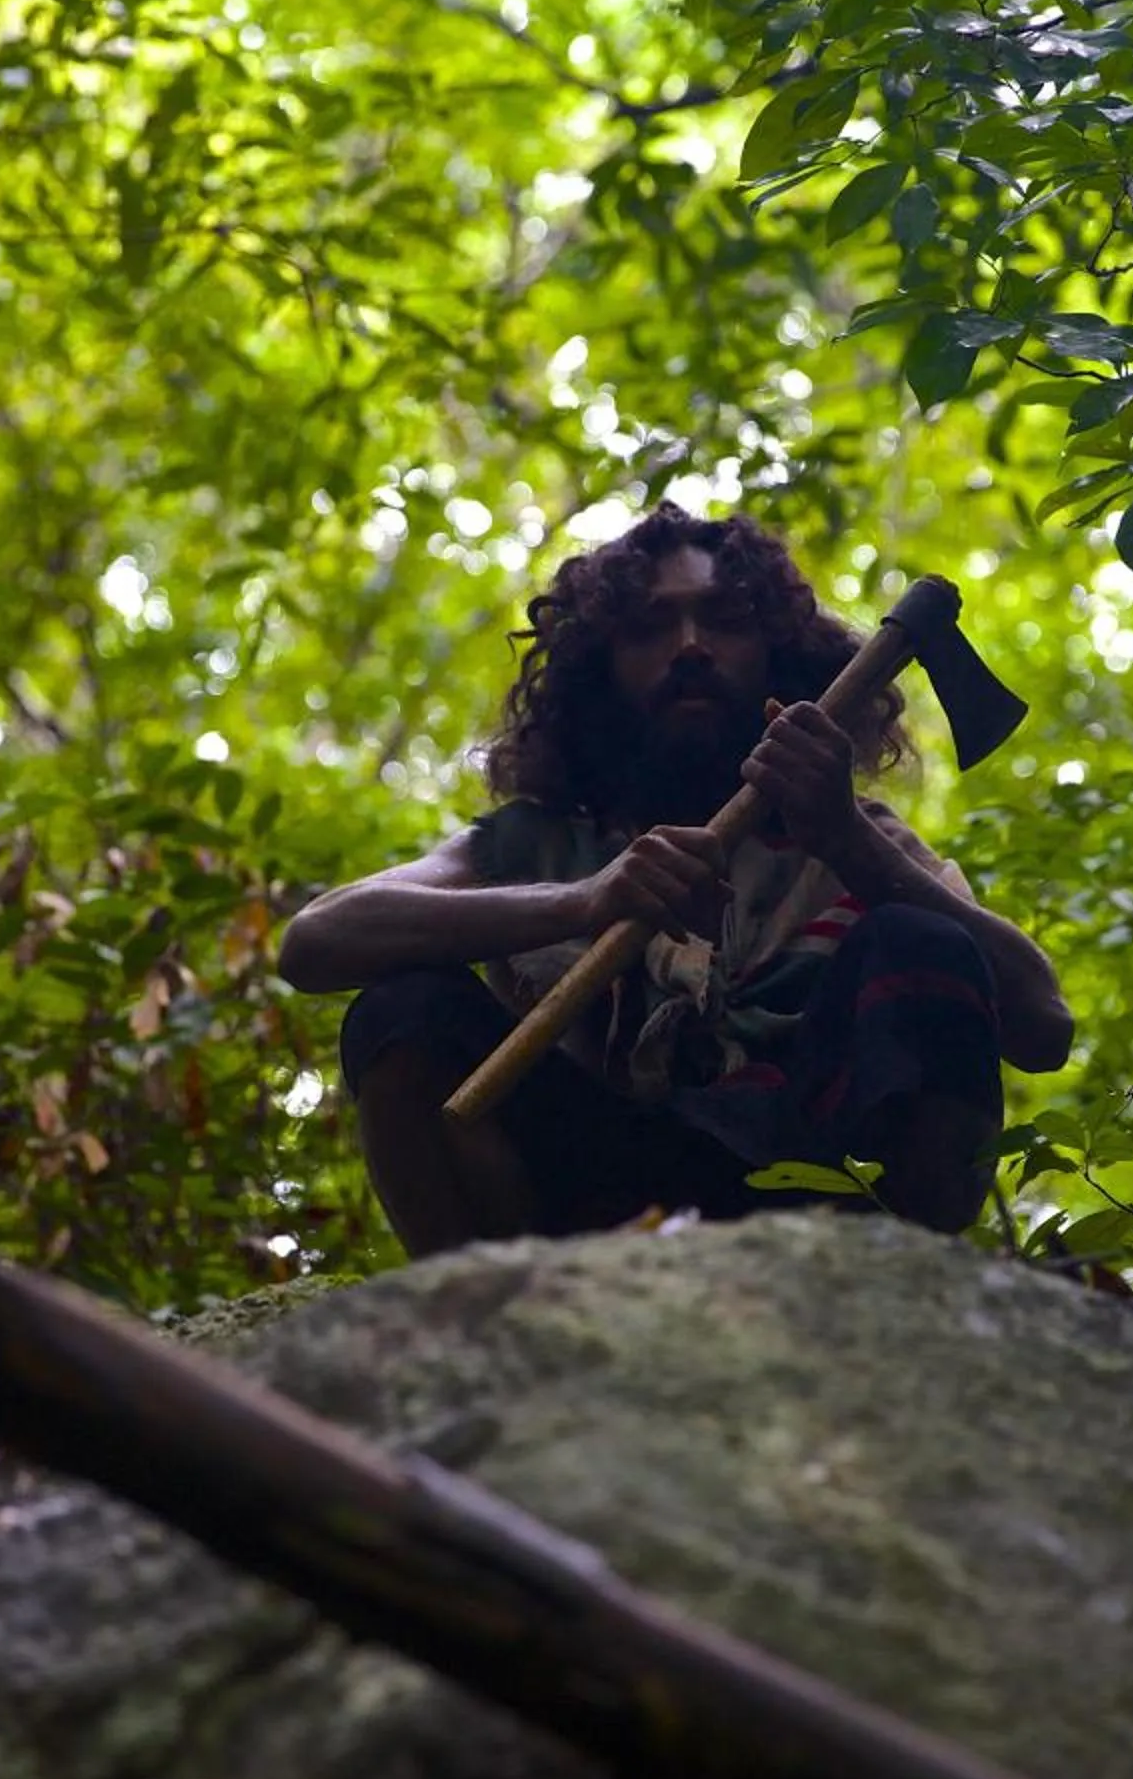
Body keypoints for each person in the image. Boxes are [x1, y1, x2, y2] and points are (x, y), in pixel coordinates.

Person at [278, 504, 1071, 1255]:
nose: (690, 645)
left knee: (924, 938)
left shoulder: (861, 840)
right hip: (588, 1195)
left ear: (775, 652)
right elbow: (317, 942)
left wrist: (850, 841)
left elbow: (1041, 1024)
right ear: (602, 670)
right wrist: (585, 901)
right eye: (650, 626)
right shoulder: (537, 843)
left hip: (812, 1196)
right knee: (403, 1008)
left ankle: (906, 1306)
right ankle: (492, 1330)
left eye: (725, 620)